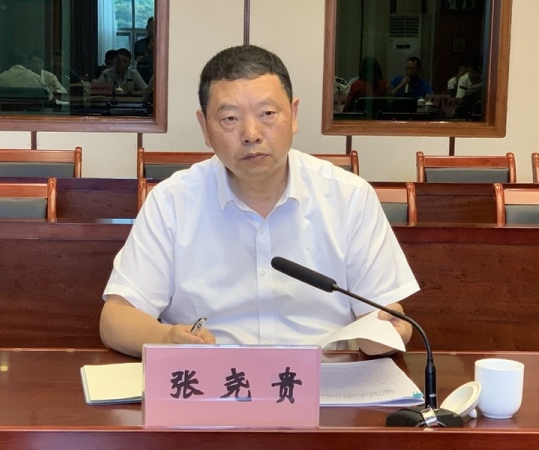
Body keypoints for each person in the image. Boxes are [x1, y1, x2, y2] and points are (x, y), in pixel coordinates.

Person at [100, 44, 419, 358]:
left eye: (267, 114)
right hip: (213, 380)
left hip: (323, 382)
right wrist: (165, 338)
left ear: (293, 115)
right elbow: (115, 319)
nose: (251, 134)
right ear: (205, 128)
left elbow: (381, 320)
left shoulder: (350, 198)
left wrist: (387, 332)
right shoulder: (172, 202)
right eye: (230, 118)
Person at [454, 54, 483, 119]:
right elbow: (459, 100)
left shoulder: (483, 84)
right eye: (470, 72)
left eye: (479, 73)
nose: (473, 75)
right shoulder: (464, 79)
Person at [134, 16, 155, 83]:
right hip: (142, 77)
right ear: (147, 28)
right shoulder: (139, 44)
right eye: (152, 28)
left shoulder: (164, 45)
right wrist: (148, 51)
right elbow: (138, 60)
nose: (155, 30)